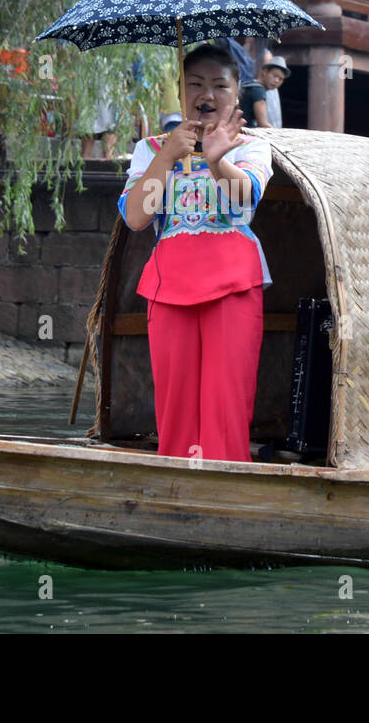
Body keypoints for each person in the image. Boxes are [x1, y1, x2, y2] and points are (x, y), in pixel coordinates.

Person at [118, 42, 272, 463]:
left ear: (237, 94)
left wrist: (219, 160)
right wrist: (168, 155)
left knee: (227, 403)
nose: (207, 94)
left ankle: (228, 487)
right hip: (168, 287)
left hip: (234, 285)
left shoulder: (251, 146)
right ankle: (177, 487)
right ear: (180, 90)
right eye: (196, 84)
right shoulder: (151, 149)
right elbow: (136, 217)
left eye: (220, 85)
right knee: (175, 406)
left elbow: (244, 200)